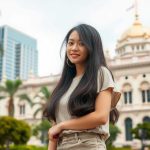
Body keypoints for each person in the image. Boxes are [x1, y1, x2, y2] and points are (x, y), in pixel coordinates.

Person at [43, 24, 121, 150]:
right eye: (70, 43)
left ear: (92, 48)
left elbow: (101, 116)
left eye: (81, 44)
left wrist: (62, 126)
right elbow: (54, 133)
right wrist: (56, 134)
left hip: (88, 144)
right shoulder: (63, 85)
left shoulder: (101, 73)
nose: (74, 48)